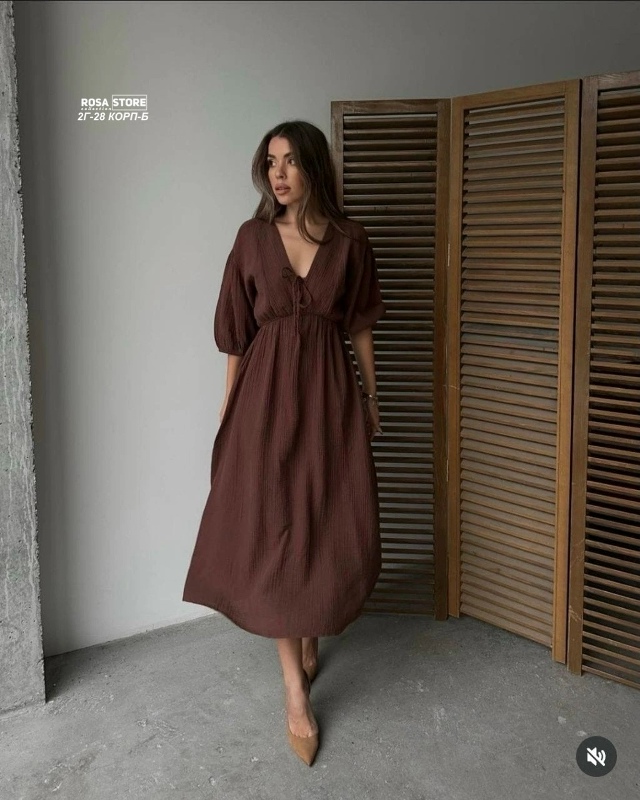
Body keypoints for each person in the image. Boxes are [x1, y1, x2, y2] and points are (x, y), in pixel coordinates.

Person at [182, 120, 386, 767]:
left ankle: (310, 625)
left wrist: (371, 397)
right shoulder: (251, 239)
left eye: (291, 161)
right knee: (274, 525)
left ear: (314, 168)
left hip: (329, 396)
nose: (278, 173)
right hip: (265, 400)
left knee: (325, 516)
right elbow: (237, 334)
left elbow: (359, 327)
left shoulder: (350, 241)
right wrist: (228, 407)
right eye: (271, 162)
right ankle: (295, 693)